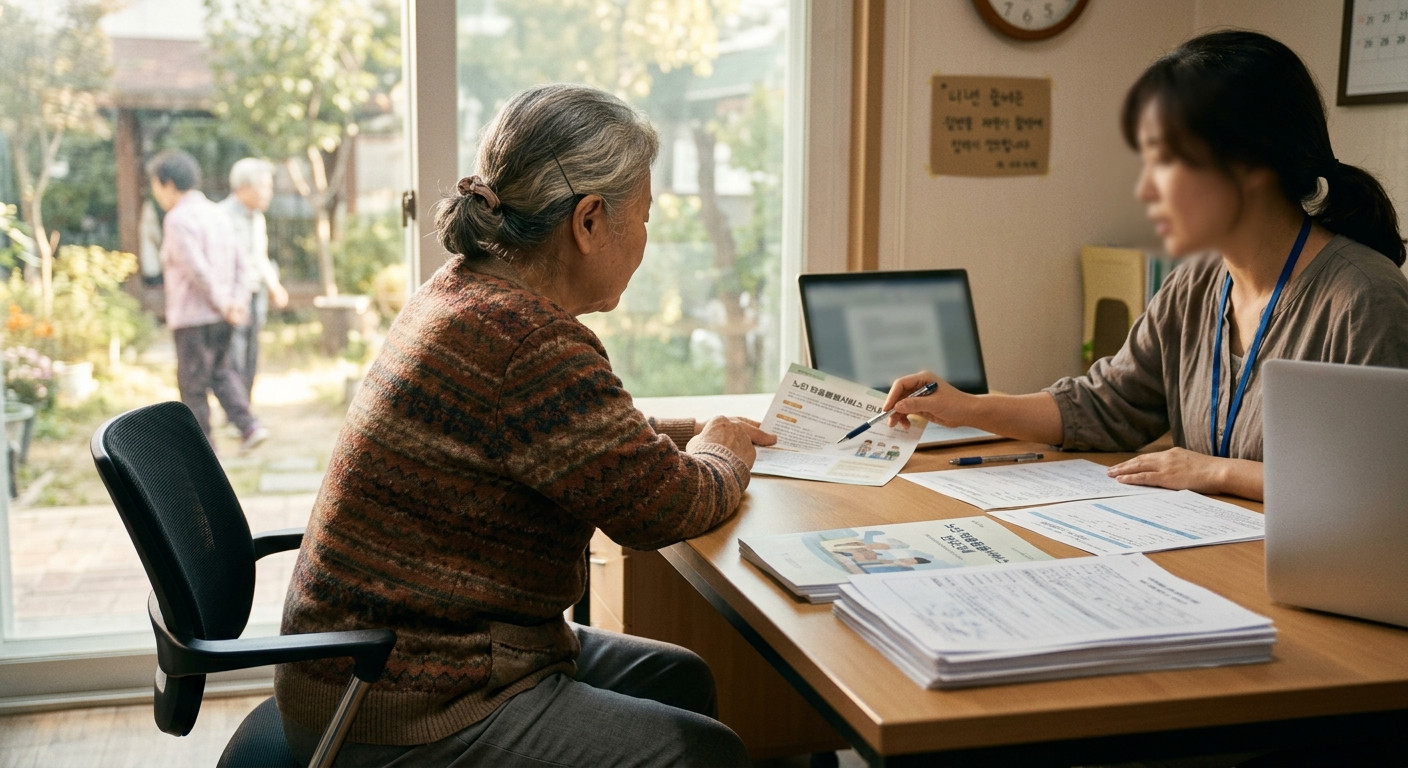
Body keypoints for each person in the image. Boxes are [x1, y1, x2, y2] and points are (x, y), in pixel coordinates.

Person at [274, 84, 775, 767]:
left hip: (375, 665)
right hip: (411, 699)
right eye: (647, 218)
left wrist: (701, 429)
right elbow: (664, 507)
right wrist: (722, 453)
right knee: (703, 752)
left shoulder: (466, 290)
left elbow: (580, 434)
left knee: (680, 677)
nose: (648, 241)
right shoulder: (525, 339)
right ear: (590, 221)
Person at [881, 31, 1408, 502]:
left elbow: (1381, 490)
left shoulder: (1364, 299)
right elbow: (1105, 405)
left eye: (1165, 160)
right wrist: (967, 408)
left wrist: (1219, 472)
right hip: (1213, 562)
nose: (1146, 189)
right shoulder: (1196, 285)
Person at [147, 149, 269, 452]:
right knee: (223, 373)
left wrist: (224, 302)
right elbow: (243, 262)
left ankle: (204, 452)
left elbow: (197, 270)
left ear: (168, 184)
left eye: (156, 186)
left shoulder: (177, 219)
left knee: (193, 387)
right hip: (223, 315)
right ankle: (248, 425)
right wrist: (235, 302)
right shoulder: (218, 213)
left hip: (193, 316)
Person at [220, 158, 289, 399]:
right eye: (264, 187)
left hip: (254, 293)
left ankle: (245, 406)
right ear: (243, 187)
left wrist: (274, 286)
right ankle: (236, 410)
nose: (268, 193)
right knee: (234, 354)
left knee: (251, 352)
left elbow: (260, 256)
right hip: (233, 296)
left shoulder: (257, 218)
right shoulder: (221, 216)